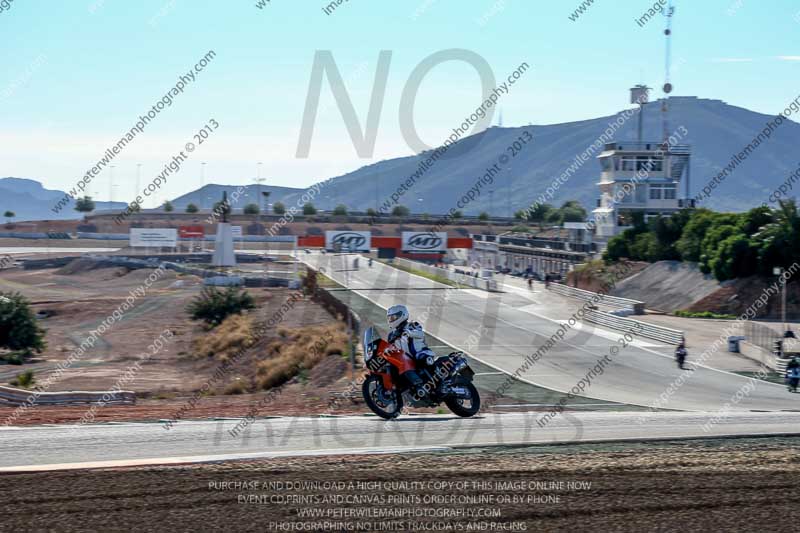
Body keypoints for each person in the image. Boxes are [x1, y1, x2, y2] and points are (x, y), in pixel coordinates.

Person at [386, 304, 435, 398]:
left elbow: (420, 334)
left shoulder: (412, 325)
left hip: (421, 353)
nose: (391, 320)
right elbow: (391, 348)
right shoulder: (391, 335)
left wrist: (409, 333)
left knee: (422, 360)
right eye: (390, 318)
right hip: (407, 361)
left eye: (394, 317)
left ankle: (435, 381)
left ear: (402, 315)